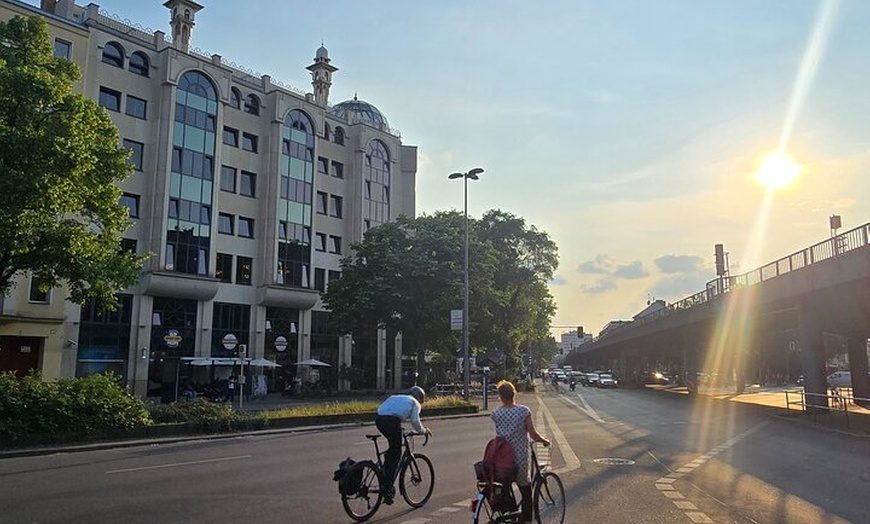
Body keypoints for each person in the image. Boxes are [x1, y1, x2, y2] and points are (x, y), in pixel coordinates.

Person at [491, 380, 550, 524]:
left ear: (500, 396)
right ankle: (526, 521)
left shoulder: (495, 413)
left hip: (502, 458)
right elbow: (533, 434)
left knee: (506, 485)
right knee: (526, 492)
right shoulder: (523, 411)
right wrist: (544, 441)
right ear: (514, 394)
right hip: (519, 458)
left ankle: (510, 515)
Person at [375, 386, 433, 504]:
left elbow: (387, 410)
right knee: (396, 454)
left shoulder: (396, 397)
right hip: (391, 422)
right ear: (420, 398)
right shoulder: (415, 403)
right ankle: (387, 487)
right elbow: (415, 421)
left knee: (392, 449)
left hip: (379, 419)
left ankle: (385, 471)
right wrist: (424, 431)